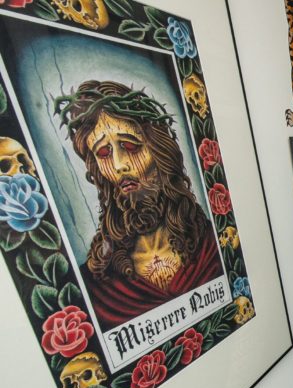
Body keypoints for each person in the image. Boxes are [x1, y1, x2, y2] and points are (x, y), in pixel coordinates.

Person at [54, 80, 223, 330]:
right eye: (103, 153)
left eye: (130, 146)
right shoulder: (99, 278)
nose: (120, 164)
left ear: (160, 152)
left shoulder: (214, 243)